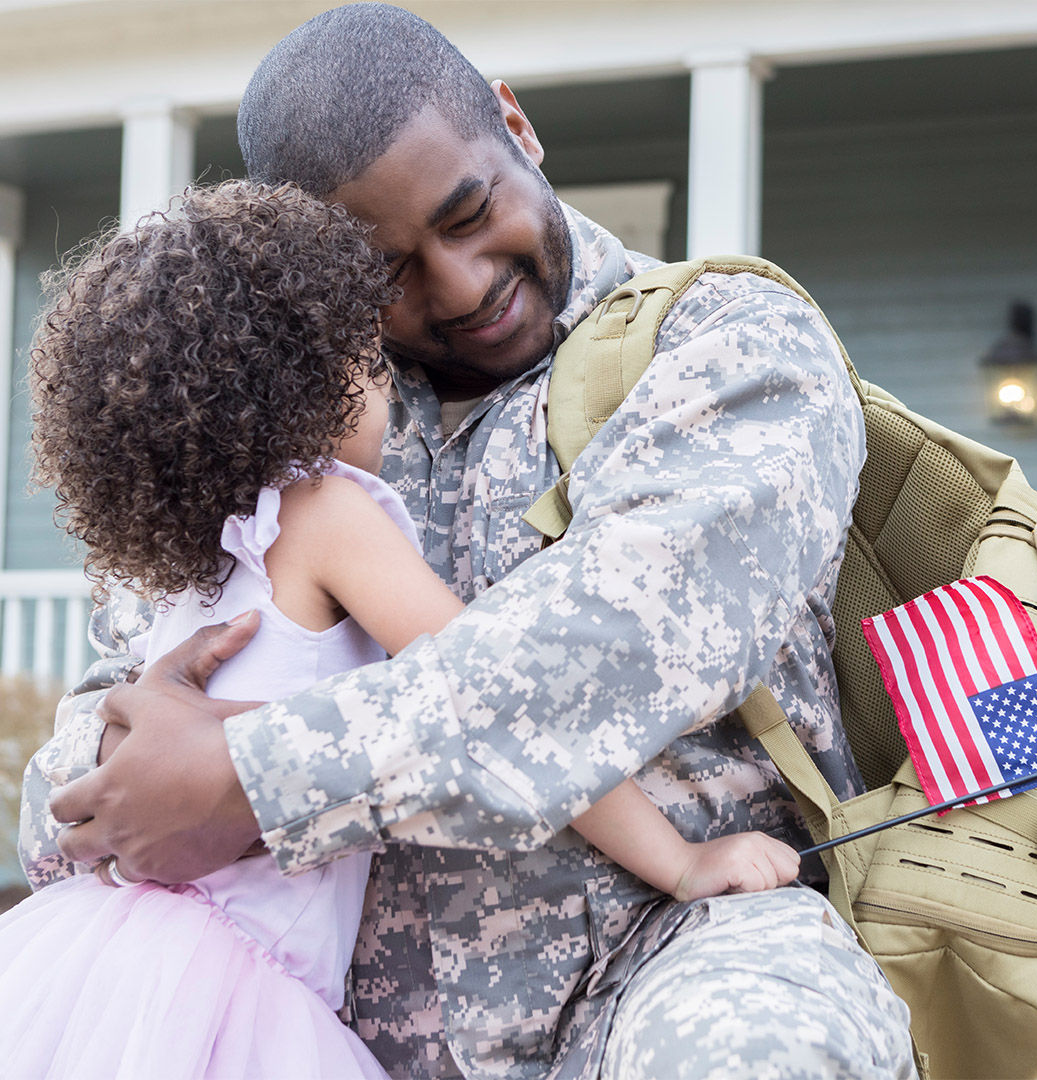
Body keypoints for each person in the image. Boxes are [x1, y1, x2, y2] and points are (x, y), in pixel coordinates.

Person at [21, 5, 918, 1078]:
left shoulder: (722, 341)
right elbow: (95, 739)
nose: (459, 286)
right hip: (319, 1023)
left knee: (757, 1055)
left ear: (515, 126)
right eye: (386, 273)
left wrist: (249, 777)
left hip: (667, 952)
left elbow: (609, 651)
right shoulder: (284, 426)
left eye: (469, 212)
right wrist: (121, 778)